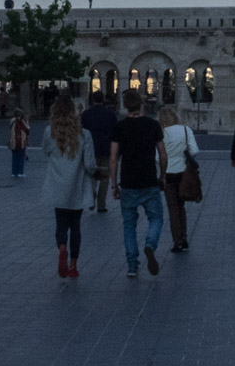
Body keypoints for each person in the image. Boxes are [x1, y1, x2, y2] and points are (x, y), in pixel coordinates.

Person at [35, 95, 97, 278]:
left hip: (57, 185)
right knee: (76, 226)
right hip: (77, 185)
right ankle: (73, 266)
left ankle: (62, 247)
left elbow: (45, 151)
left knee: (60, 224)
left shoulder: (49, 132)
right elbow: (90, 164)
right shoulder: (84, 135)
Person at [110, 89, 168, 278]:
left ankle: (132, 266)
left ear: (126, 105)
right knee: (156, 218)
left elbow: (113, 158)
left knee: (129, 225)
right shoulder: (153, 125)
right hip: (149, 180)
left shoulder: (120, 127)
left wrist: (114, 184)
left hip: (128, 183)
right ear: (142, 104)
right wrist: (162, 175)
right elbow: (162, 153)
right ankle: (150, 244)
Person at [159, 107, 198, 253]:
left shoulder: (162, 133)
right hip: (184, 174)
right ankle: (184, 237)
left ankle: (177, 241)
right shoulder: (186, 130)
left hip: (168, 174)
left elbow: (157, 157)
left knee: (172, 209)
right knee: (181, 207)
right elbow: (194, 151)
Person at [81, 92, 117, 213]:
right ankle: (101, 205)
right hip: (106, 148)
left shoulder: (86, 114)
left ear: (92, 100)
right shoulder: (110, 115)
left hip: (91, 148)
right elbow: (114, 133)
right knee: (105, 177)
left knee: (91, 173)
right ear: (104, 100)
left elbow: (82, 132)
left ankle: (91, 197)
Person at [9, 109, 30, 178]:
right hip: (21, 141)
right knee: (21, 158)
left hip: (12, 141)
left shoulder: (12, 121)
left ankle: (14, 172)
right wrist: (26, 121)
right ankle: (20, 172)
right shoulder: (21, 122)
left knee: (14, 158)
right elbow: (27, 130)